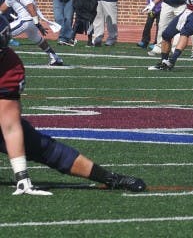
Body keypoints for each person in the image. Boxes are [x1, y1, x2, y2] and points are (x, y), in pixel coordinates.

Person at [0, 17, 146, 195]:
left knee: (43, 147)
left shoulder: (9, 66)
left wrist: (22, 177)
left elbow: (10, 126)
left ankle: (110, 178)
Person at [0, 0, 64, 66]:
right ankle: (55, 58)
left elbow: (29, 4)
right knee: (38, 39)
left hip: (25, 20)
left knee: (1, 35)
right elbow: (7, 3)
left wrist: (37, 23)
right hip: (28, 20)